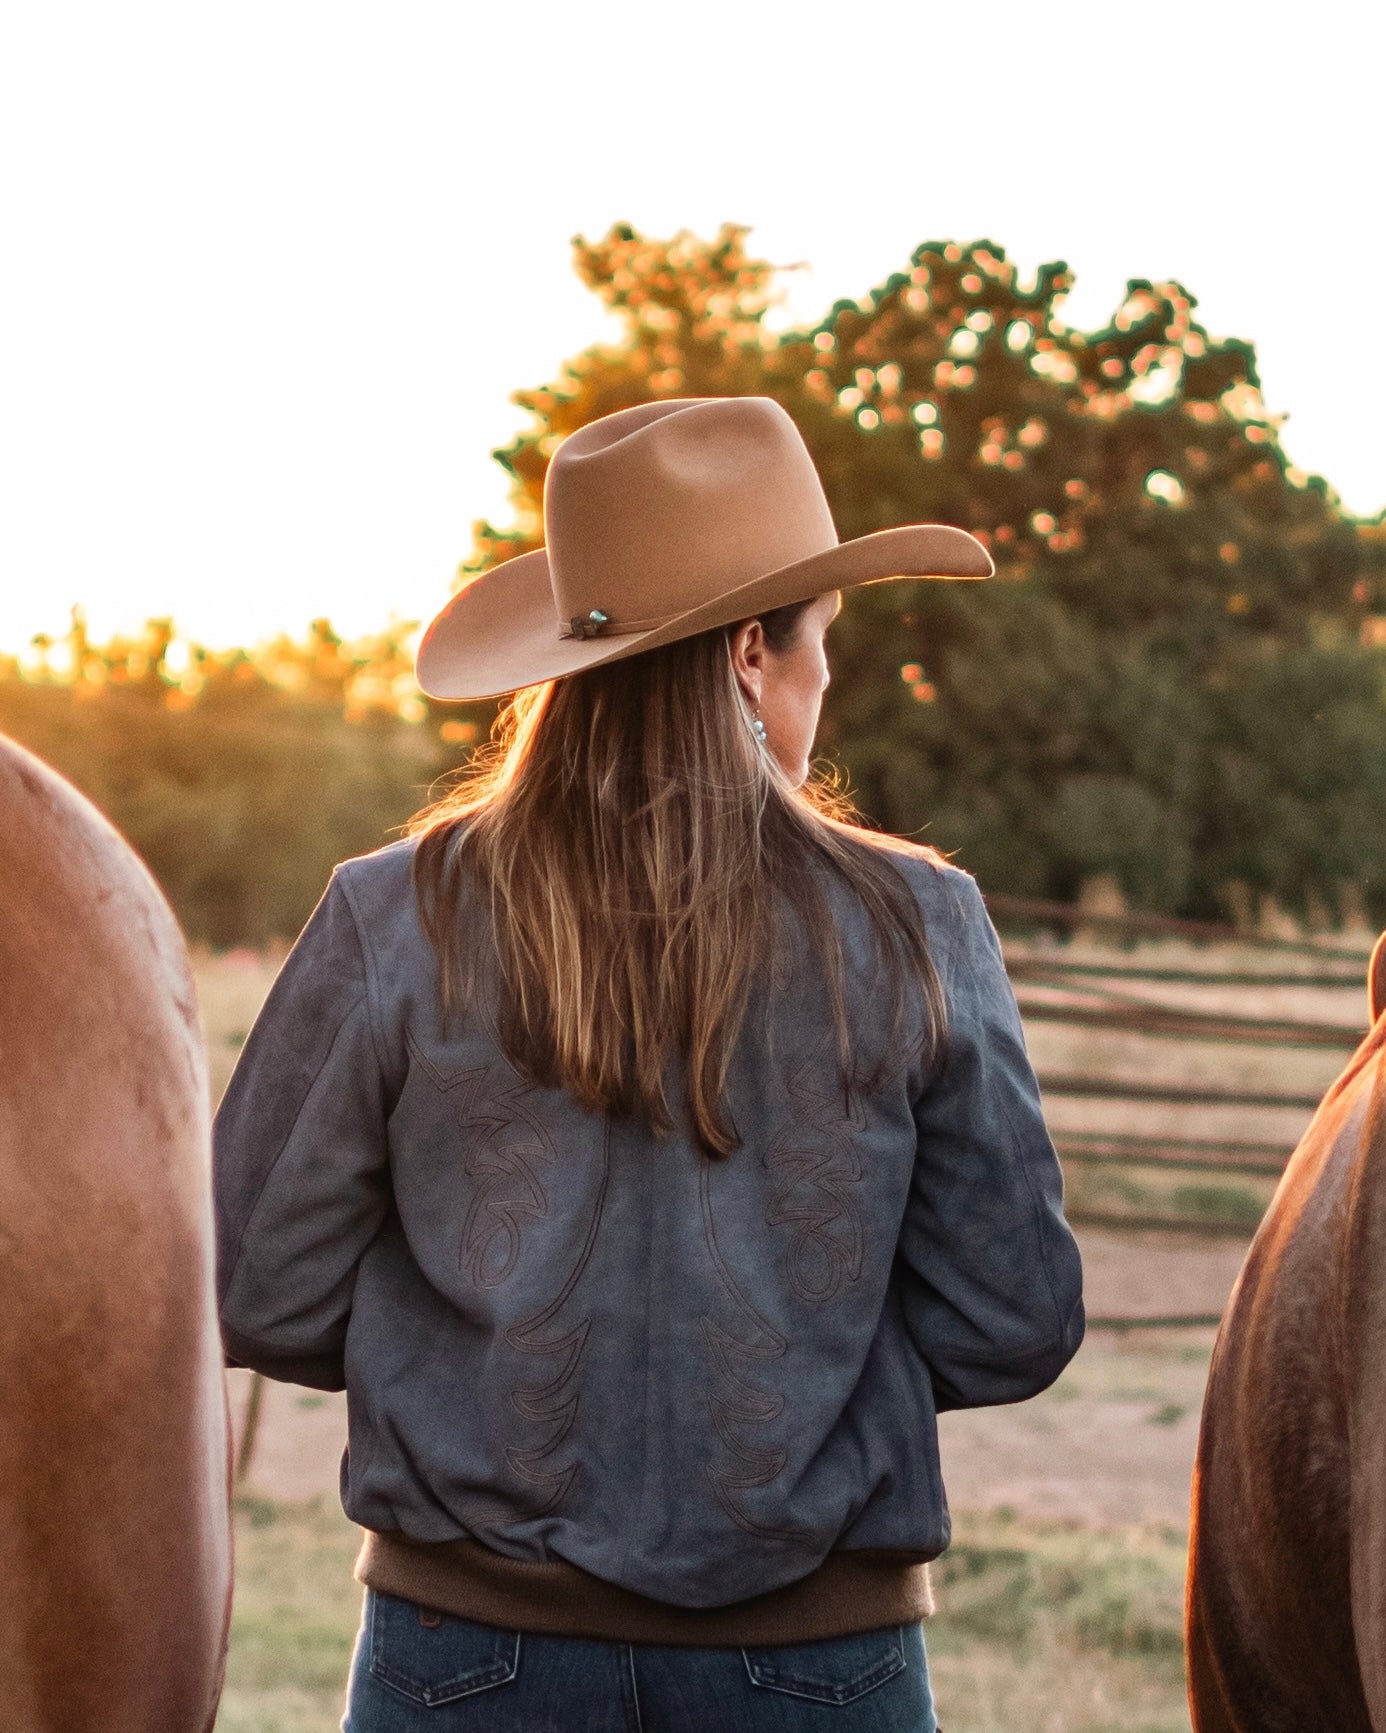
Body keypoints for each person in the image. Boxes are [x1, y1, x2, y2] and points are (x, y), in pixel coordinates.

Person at [213, 395, 1085, 1732]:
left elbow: (257, 1288)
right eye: (820, 651)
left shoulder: (390, 914)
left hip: (464, 1655)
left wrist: (468, 1372)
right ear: (749, 655)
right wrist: (807, 1356)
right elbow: (1012, 1316)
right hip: (815, 1664)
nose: (820, 684)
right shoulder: (919, 923)